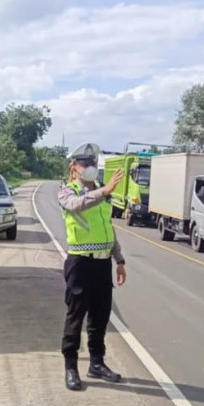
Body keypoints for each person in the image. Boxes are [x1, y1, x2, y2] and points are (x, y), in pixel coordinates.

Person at [58, 143, 127, 391]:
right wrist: (105, 191)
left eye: (93, 164)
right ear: (74, 168)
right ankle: (71, 367)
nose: (90, 169)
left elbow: (108, 228)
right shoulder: (67, 192)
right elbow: (77, 205)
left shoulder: (101, 192)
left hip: (102, 263)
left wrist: (119, 260)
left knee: (100, 316)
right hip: (80, 263)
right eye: (85, 164)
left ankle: (96, 363)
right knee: (76, 316)